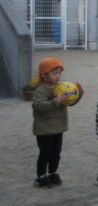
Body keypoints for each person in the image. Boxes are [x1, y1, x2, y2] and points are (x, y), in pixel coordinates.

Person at [30, 58, 82, 188]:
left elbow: (70, 103)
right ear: (44, 75)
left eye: (59, 73)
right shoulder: (40, 91)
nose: (58, 76)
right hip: (45, 129)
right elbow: (38, 107)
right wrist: (56, 101)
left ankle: (53, 172)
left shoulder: (61, 88)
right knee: (45, 153)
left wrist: (78, 93)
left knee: (56, 153)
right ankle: (41, 176)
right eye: (54, 73)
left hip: (58, 128)